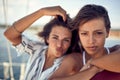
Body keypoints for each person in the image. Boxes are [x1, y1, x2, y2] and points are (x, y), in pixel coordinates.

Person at [4, 6, 80, 80]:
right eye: (55, 37)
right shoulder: (37, 49)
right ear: (47, 38)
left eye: (66, 40)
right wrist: (42, 12)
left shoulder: (70, 63)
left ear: (71, 43)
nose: (59, 44)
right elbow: (9, 34)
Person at [51, 4, 120, 80]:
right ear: (78, 34)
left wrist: (93, 62)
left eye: (98, 33)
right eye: (84, 34)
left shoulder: (116, 50)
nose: (91, 41)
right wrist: (92, 70)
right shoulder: (75, 60)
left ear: (107, 32)